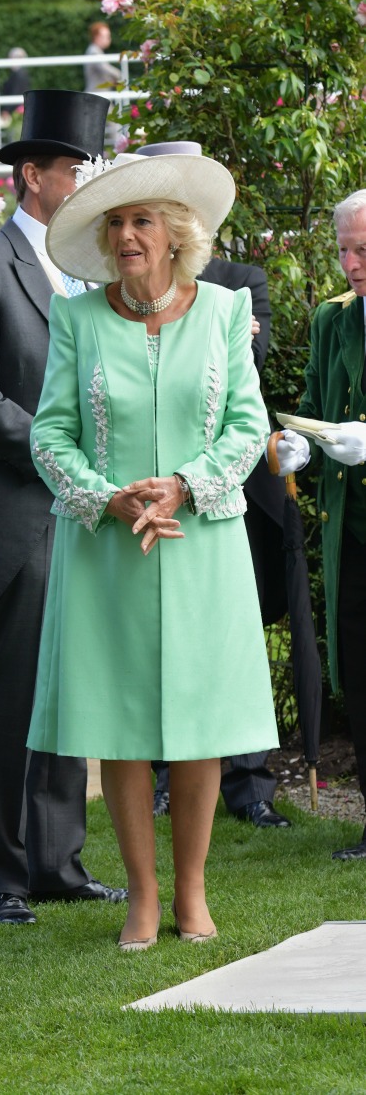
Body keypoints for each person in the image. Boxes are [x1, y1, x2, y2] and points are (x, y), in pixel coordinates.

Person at [28, 149, 278, 949]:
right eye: (117, 224)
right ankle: (142, 894)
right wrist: (107, 494)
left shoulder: (225, 311)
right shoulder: (77, 318)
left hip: (202, 540)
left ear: (175, 233)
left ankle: (193, 893)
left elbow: (246, 425)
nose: (127, 236)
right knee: (125, 724)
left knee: (199, 721)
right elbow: (49, 432)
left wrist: (184, 482)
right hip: (109, 546)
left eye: (141, 221)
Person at [0, 89, 128, 925]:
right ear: (31, 177)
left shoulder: (88, 276)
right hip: (20, 520)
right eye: (75, 167)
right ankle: (4, 877)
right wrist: (57, 454)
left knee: (73, 692)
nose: (87, 181)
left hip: (84, 518)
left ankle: (58, 863)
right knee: (12, 701)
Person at [138, 142, 292, 830]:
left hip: (231, 489)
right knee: (158, 637)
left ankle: (249, 780)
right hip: (146, 490)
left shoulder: (238, 281)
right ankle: (168, 772)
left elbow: (246, 365)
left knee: (234, 641)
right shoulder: (123, 284)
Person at [271, 189, 366, 861]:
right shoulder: (334, 321)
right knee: (359, 673)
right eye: (344, 250)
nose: (352, 263)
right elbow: (309, 405)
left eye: (364, 249)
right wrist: (295, 444)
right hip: (352, 534)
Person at [83, 22, 122, 94]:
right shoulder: (94, 52)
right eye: (106, 36)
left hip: (99, 94)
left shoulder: (95, 50)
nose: (108, 39)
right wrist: (120, 75)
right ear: (96, 37)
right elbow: (106, 68)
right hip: (97, 95)